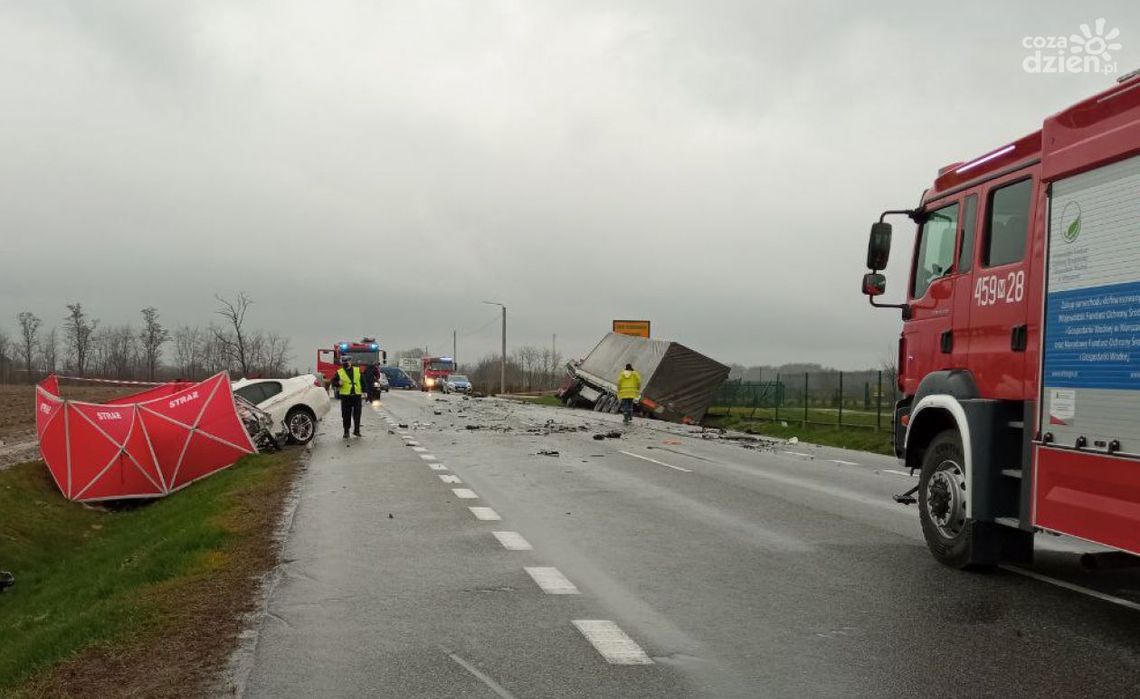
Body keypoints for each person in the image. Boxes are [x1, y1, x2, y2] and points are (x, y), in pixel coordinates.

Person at [331, 356, 364, 437]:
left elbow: (362, 381)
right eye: (344, 362)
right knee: (346, 415)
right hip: (345, 396)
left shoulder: (357, 370)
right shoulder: (340, 372)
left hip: (357, 395)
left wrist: (365, 391)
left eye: (347, 361)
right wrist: (338, 383)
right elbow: (333, 382)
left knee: (357, 414)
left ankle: (357, 431)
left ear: (350, 362)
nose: (345, 363)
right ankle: (346, 431)